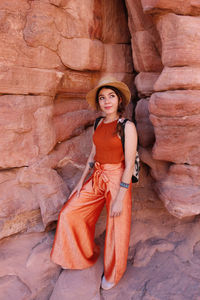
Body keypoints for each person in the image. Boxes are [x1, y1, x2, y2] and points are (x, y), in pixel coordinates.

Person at [50, 76, 138, 290]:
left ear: (119, 100)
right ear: (98, 103)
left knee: (117, 225)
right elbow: (92, 155)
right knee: (69, 213)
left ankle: (113, 273)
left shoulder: (127, 126)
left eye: (111, 96)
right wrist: (81, 183)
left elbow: (128, 165)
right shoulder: (99, 122)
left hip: (118, 179)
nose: (107, 101)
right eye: (102, 98)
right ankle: (83, 254)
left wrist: (121, 197)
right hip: (97, 175)